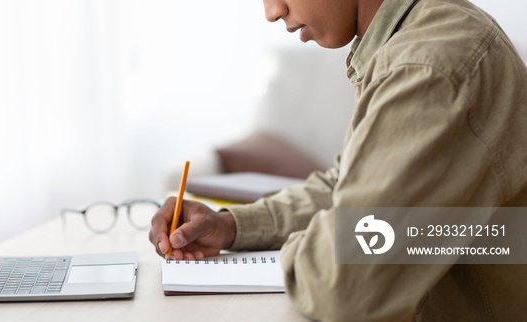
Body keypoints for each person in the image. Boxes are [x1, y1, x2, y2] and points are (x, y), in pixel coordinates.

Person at [149, 0, 527, 320]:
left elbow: (346, 286)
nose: (271, 11)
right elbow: (345, 183)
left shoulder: (426, 67)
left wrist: (316, 245)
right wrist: (231, 225)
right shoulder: (414, 41)